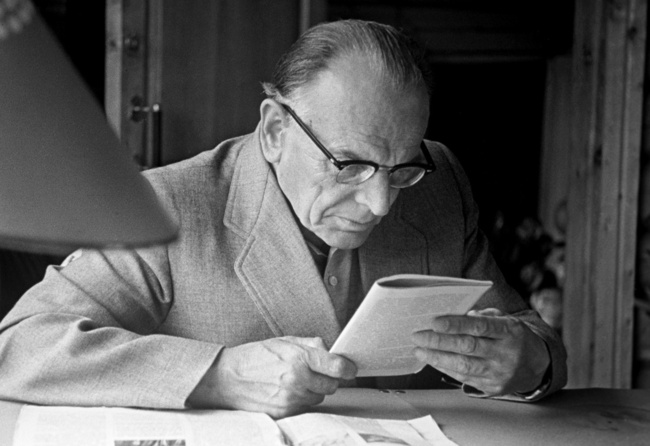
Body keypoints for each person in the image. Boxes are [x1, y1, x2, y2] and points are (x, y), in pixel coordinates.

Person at [0, 19, 566, 418]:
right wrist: (220, 375)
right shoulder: (167, 206)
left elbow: (528, 333)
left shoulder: (439, 182)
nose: (381, 203)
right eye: (349, 165)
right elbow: (20, 348)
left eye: (400, 170)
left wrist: (528, 363)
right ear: (275, 131)